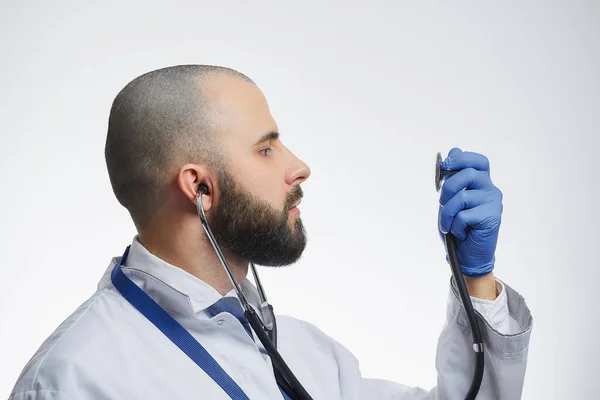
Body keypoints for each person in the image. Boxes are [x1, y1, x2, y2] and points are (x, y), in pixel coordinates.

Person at [9, 65, 533, 399]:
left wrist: (475, 279)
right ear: (200, 188)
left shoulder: (306, 357)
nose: (300, 166)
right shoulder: (72, 380)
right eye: (266, 148)